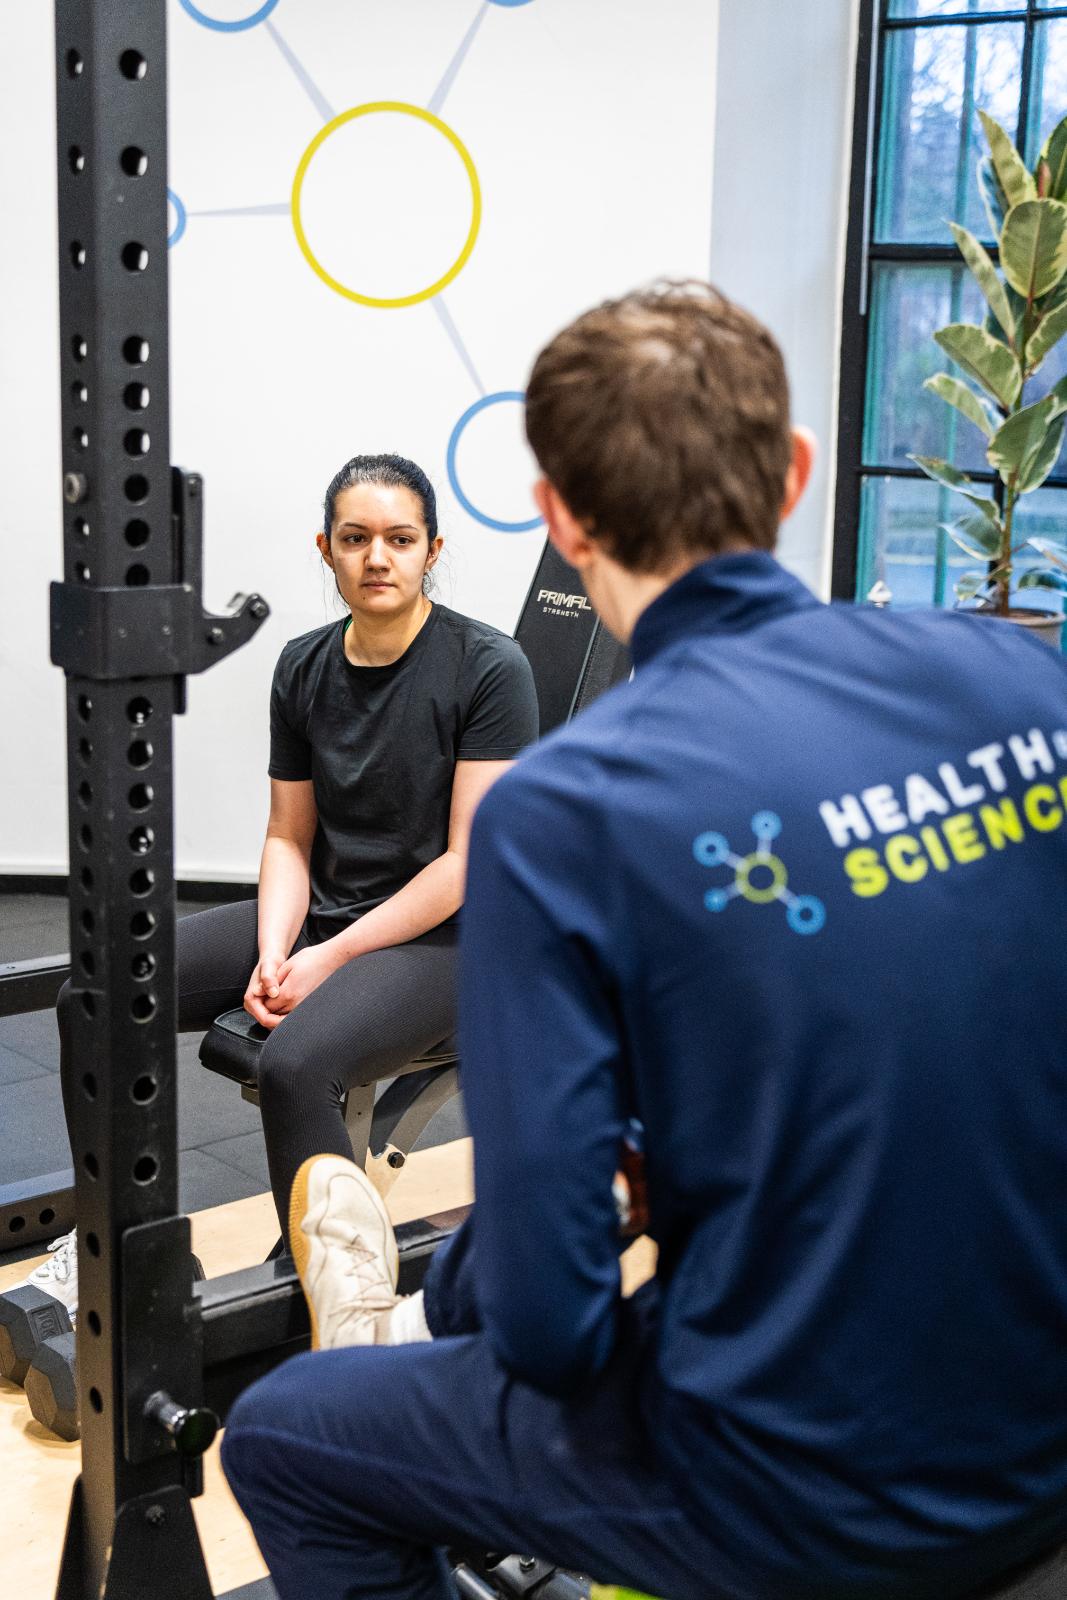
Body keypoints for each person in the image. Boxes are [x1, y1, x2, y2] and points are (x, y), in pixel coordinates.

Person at [221, 284, 1067, 1600]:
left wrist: (549, 1234)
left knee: (287, 1438)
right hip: (1036, 1417)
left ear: (557, 522)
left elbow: (553, 1335)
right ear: (790, 476)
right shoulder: (1024, 681)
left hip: (809, 1492)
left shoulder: (566, 815)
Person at [23, 452, 538, 1312]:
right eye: (356, 538)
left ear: (431, 550)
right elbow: (288, 836)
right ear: (326, 548)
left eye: (399, 539)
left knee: (296, 1063)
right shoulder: (302, 665)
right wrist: (273, 952)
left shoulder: (488, 668)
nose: (378, 557)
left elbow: (462, 866)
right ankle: (105, 1240)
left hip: (449, 939)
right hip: (323, 916)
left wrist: (324, 960)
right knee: (98, 990)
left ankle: (326, 1306)